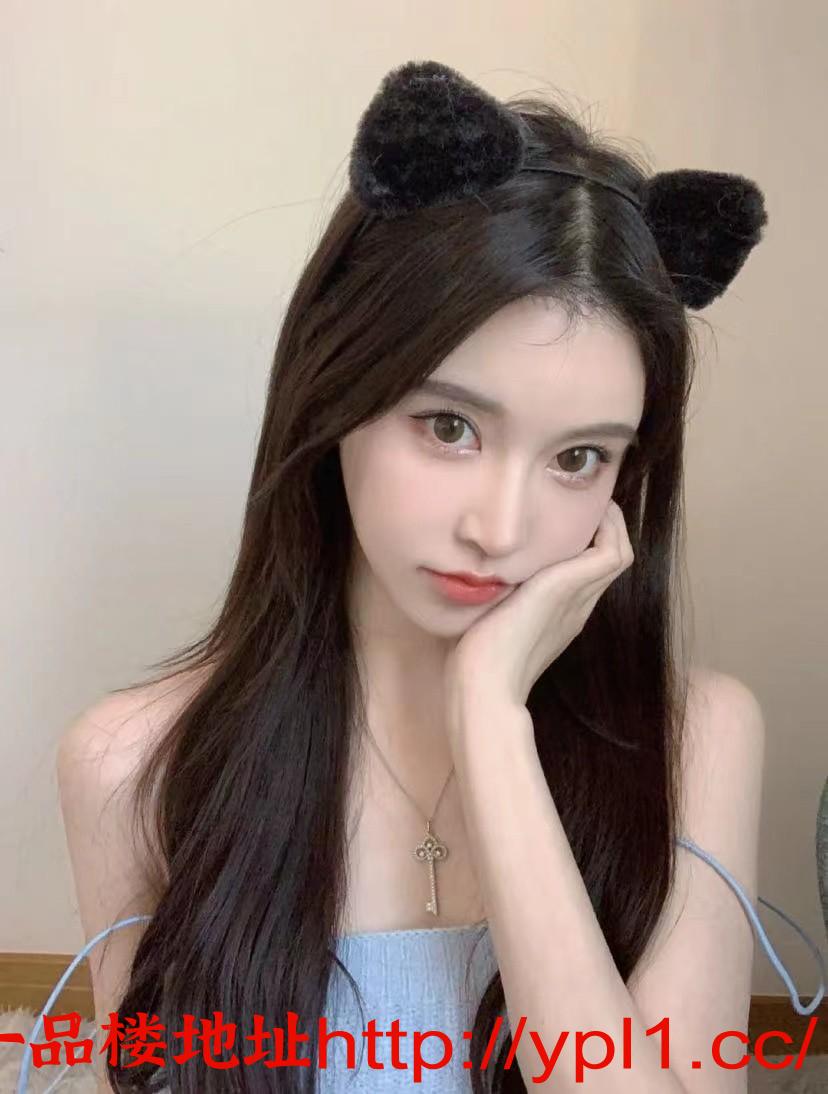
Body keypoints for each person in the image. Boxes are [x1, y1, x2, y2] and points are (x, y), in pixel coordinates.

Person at [42, 60, 823, 1094]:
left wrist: (491, 724)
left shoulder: (698, 737)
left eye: (578, 457)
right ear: (334, 394)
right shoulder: (136, 764)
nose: (499, 529)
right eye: (449, 426)